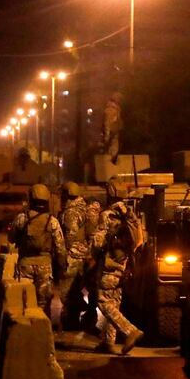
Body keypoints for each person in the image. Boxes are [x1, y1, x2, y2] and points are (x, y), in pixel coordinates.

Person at [91, 180, 144, 354]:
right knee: (114, 300)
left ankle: (130, 330)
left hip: (109, 263)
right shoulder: (130, 215)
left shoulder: (107, 215)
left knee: (103, 301)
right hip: (123, 264)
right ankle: (108, 341)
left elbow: (97, 243)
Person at [8, 184, 67, 316]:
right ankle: (44, 330)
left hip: (25, 265)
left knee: (25, 300)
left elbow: (11, 238)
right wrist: (62, 268)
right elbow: (60, 248)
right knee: (43, 302)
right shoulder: (52, 221)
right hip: (45, 266)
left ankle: (26, 330)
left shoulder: (22, 218)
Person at [58, 181, 90, 329]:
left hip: (74, 255)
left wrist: (63, 255)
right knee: (75, 288)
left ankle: (73, 319)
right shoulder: (84, 208)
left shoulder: (71, 212)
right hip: (84, 254)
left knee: (67, 291)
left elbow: (70, 235)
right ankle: (75, 318)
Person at [103, 92, 123, 164]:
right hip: (112, 133)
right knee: (112, 149)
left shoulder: (114, 108)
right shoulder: (112, 109)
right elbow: (108, 123)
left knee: (113, 148)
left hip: (113, 132)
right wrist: (108, 135)